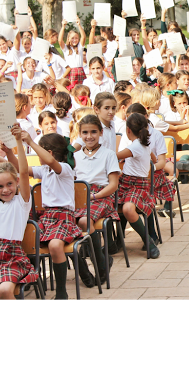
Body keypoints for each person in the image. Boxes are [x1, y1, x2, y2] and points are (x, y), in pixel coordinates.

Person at [22, 131, 83, 300]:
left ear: (48, 152)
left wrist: (30, 141)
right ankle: (27, 278)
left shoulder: (64, 168)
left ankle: (61, 292)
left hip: (64, 217)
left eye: (39, 151)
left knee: (55, 246)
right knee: (24, 238)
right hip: (46, 217)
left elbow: (50, 161)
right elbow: (22, 170)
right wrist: (1, 156)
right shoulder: (45, 170)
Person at [0, 125, 39, 301]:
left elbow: (23, 172)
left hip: (12, 258)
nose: (5, 190)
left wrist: (17, 141)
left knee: (5, 290)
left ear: (16, 182)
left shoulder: (21, 202)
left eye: (9, 184)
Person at [73, 114, 121, 281]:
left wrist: (94, 196)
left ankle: (99, 263)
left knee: (84, 221)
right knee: (64, 223)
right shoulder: (76, 156)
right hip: (79, 195)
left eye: (93, 132)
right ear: (79, 134)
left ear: (101, 132)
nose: (89, 136)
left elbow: (113, 185)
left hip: (101, 195)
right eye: (85, 132)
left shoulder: (108, 154)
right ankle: (95, 263)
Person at [116, 113, 160, 259]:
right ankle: (117, 240)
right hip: (125, 184)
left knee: (128, 209)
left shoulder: (135, 146)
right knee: (114, 205)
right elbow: (153, 158)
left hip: (137, 186)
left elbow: (114, 156)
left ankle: (148, 241)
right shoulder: (143, 144)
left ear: (128, 130)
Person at [59, 17, 86, 90]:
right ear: (68, 39)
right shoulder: (66, 48)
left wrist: (79, 25)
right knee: (72, 89)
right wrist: (63, 27)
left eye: (76, 38)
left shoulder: (79, 48)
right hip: (71, 72)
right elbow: (60, 40)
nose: (74, 40)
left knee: (81, 89)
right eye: (72, 38)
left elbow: (83, 37)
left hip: (80, 71)